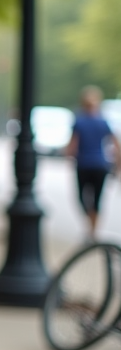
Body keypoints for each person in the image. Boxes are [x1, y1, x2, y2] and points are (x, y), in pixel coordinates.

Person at [64, 85, 119, 239]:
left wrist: (68, 156)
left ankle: (91, 228)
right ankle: (93, 229)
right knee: (97, 198)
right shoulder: (102, 121)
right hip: (99, 165)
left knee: (82, 198)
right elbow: (116, 144)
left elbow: (72, 145)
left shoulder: (80, 121)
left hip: (84, 164)